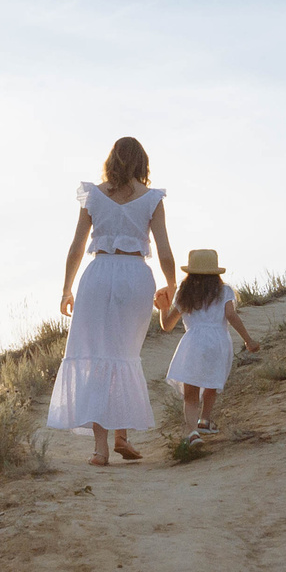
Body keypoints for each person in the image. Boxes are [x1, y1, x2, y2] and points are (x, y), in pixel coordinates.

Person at [47, 137, 176, 466]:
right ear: (142, 162)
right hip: (135, 277)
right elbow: (164, 250)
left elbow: (77, 247)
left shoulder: (93, 196)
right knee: (124, 354)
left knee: (96, 355)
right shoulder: (152, 199)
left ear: (111, 160)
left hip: (99, 273)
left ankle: (100, 449)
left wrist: (66, 289)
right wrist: (172, 285)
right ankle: (122, 436)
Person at [160, 248, 260, 443]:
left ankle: (192, 432)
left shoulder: (185, 294)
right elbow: (231, 315)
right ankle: (205, 420)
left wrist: (163, 308)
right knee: (211, 382)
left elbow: (167, 326)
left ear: (190, 273)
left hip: (193, 342)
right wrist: (248, 339)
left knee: (191, 391)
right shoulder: (224, 291)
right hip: (218, 341)